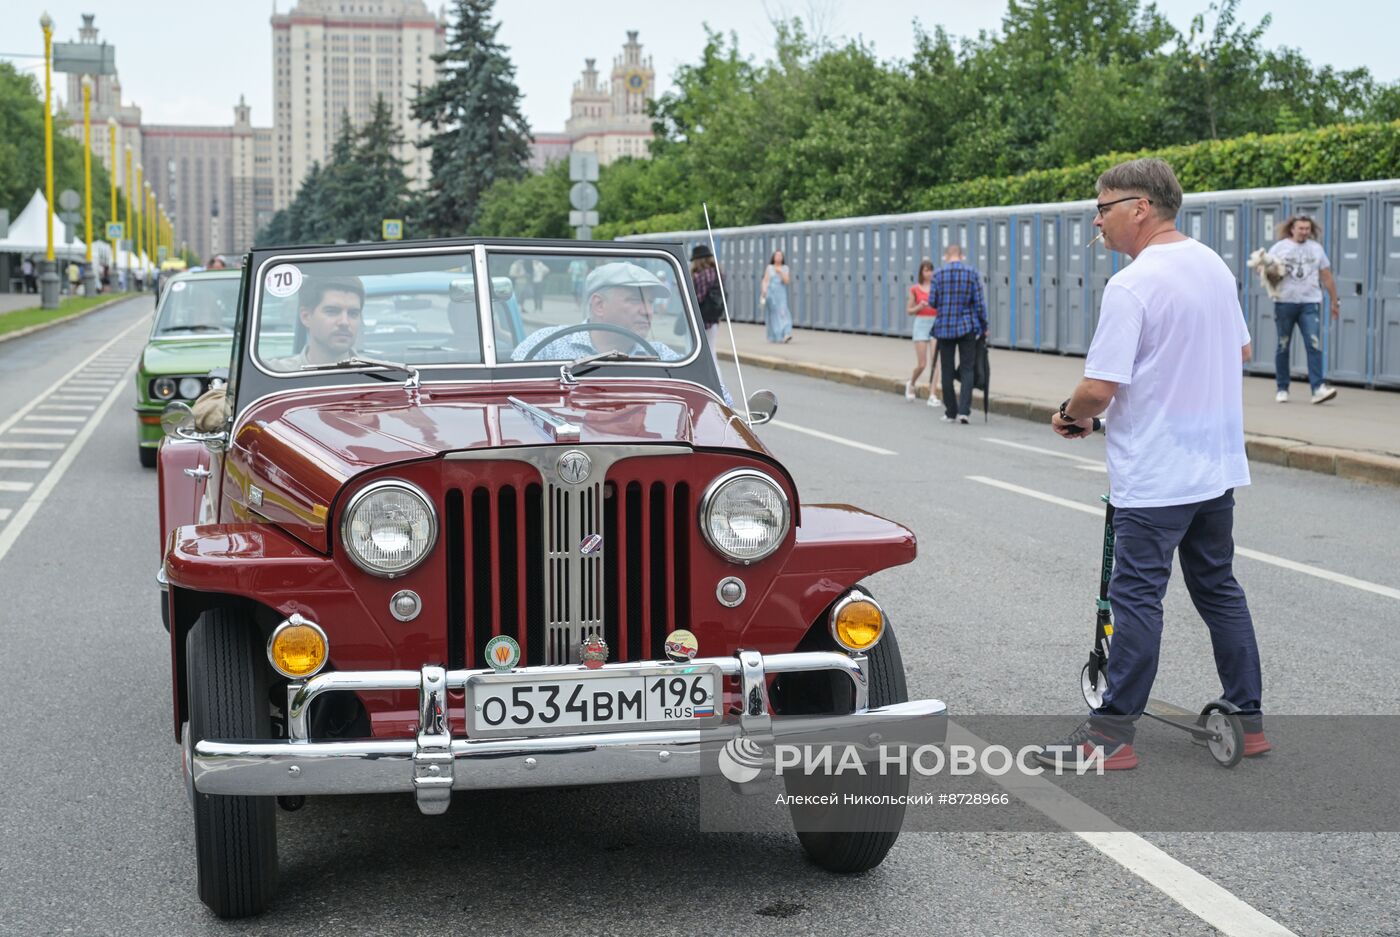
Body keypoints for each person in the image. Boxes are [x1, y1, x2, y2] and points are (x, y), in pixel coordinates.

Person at [1039, 157, 1268, 771]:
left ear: (1139, 207)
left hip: (1157, 473)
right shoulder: (1211, 264)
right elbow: (1241, 347)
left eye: (1103, 208)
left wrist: (1071, 411)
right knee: (1218, 588)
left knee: (1136, 596)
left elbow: (1098, 388)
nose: (1098, 221)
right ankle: (1248, 716)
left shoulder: (1133, 284)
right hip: (1213, 466)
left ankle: (1109, 735)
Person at [512, 262, 680, 363]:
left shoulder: (661, 357)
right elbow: (507, 402)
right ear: (599, 305)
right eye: (635, 300)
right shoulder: (547, 346)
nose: (648, 311)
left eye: (650, 302)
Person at [1269, 215, 1339, 404]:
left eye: (1307, 228)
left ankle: (1318, 388)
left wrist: (1334, 301)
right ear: (1292, 228)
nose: (1304, 232)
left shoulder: (1316, 249)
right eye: (1301, 228)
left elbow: (1326, 275)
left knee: (1313, 344)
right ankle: (1282, 388)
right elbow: (1263, 268)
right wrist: (1269, 271)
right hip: (1284, 302)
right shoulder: (1280, 247)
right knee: (1283, 345)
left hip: (1310, 302)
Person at [929, 244, 987, 424]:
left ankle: (951, 411)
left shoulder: (938, 274)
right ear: (961, 255)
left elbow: (932, 302)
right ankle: (964, 411)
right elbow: (979, 303)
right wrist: (984, 325)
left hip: (944, 327)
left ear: (946, 256)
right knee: (967, 369)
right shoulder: (972, 273)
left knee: (946, 369)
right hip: (966, 327)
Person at [266, 276, 364, 370]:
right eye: (332, 311)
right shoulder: (272, 374)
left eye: (353, 313)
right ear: (306, 317)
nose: (344, 322)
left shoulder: (376, 374)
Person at [905, 259, 941, 407]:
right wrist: (919, 306)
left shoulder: (937, 288)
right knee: (922, 364)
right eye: (926, 270)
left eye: (931, 270)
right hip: (921, 324)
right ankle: (911, 382)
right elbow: (909, 311)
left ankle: (932, 394)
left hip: (935, 323)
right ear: (921, 272)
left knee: (936, 362)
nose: (929, 273)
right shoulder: (915, 289)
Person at [690, 244, 726, 355]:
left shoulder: (700, 276)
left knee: (698, 352)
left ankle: (711, 373)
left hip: (701, 319)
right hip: (713, 317)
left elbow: (698, 298)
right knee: (711, 349)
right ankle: (717, 372)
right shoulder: (717, 272)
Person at [760, 249, 793, 343]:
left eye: (780, 256)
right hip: (771, 294)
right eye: (776, 255)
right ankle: (776, 335)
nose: (778, 257)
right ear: (773, 257)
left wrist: (780, 272)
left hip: (781, 294)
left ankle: (786, 333)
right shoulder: (769, 268)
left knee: (783, 312)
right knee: (773, 315)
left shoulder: (785, 268)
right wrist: (764, 291)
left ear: (782, 258)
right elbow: (765, 280)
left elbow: (786, 281)